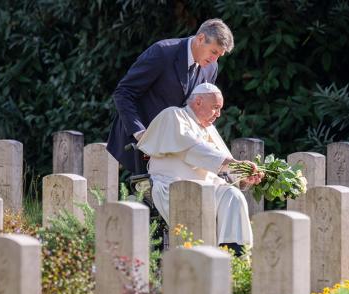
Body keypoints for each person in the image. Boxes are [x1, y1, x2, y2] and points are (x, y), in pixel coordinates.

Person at [137, 83, 262, 253]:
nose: (218, 114)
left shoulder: (209, 129)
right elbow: (194, 149)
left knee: (234, 195)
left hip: (209, 189)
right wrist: (235, 164)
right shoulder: (174, 115)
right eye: (215, 108)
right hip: (174, 187)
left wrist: (243, 176)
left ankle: (234, 255)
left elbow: (223, 166)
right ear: (198, 102)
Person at [107, 18, 234, 173]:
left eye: (219, 55)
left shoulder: (211, 67)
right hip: (140, 145)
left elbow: (200, 109)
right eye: (213, 52)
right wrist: (141, 134)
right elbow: (124, 93)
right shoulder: (162, 52)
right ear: (200, 38)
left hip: (177, 153)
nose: (215, 59)